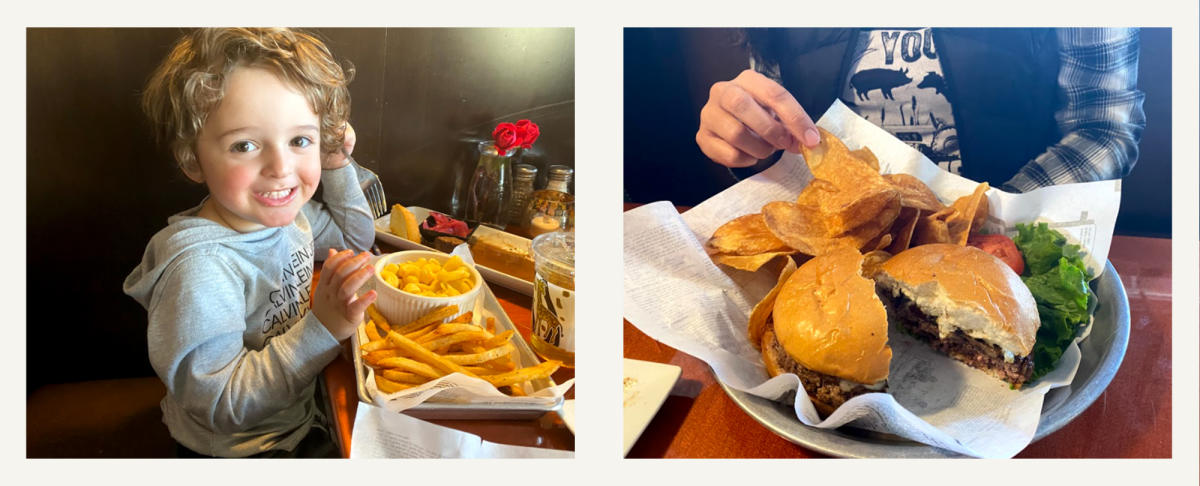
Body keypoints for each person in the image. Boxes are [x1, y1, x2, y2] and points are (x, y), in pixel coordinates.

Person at [123, 28, 377, 458]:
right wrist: (325, 328)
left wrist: (336, 162)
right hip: (242, 449)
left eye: (300, 140)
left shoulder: (282, 216)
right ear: (192, 159)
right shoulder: (202, 270)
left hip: (301, 411)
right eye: (244, 145)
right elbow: (221, 403)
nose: (281, 168)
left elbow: (355, 240)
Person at [696, 28, 1146, 193]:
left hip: (1001, 232)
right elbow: (777, 131)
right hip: (829, 245)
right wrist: (749, 138)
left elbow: (1104, 128)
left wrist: (988, 217)